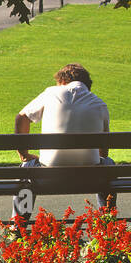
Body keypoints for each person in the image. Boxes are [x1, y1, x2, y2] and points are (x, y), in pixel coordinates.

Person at [15, 63, 115, 208]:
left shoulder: (51, 93)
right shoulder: (100, 104)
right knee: (108, 163)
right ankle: (107, 222)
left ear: (62, 81)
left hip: (48, 177)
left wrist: (24, 155)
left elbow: (21, 118)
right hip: (90, 179)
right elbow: (103, 152)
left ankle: (18, 225)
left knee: (26, 169)